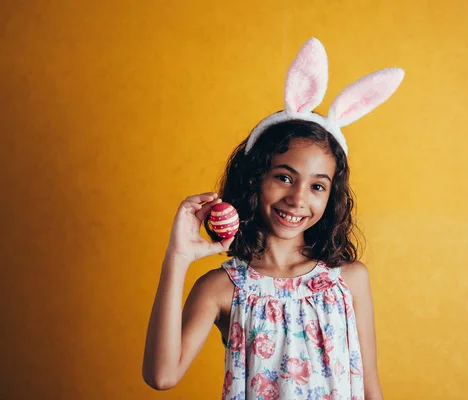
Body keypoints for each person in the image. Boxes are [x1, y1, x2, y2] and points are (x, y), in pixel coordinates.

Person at [142, 37, 404, 399]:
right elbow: (161, 375)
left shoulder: (350, 280)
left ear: (332, 197)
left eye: (317, 187)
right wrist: (177, 259)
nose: (297, 199)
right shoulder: (222, 288)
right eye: (284, 177)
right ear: (254, 178)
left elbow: (369, 385)